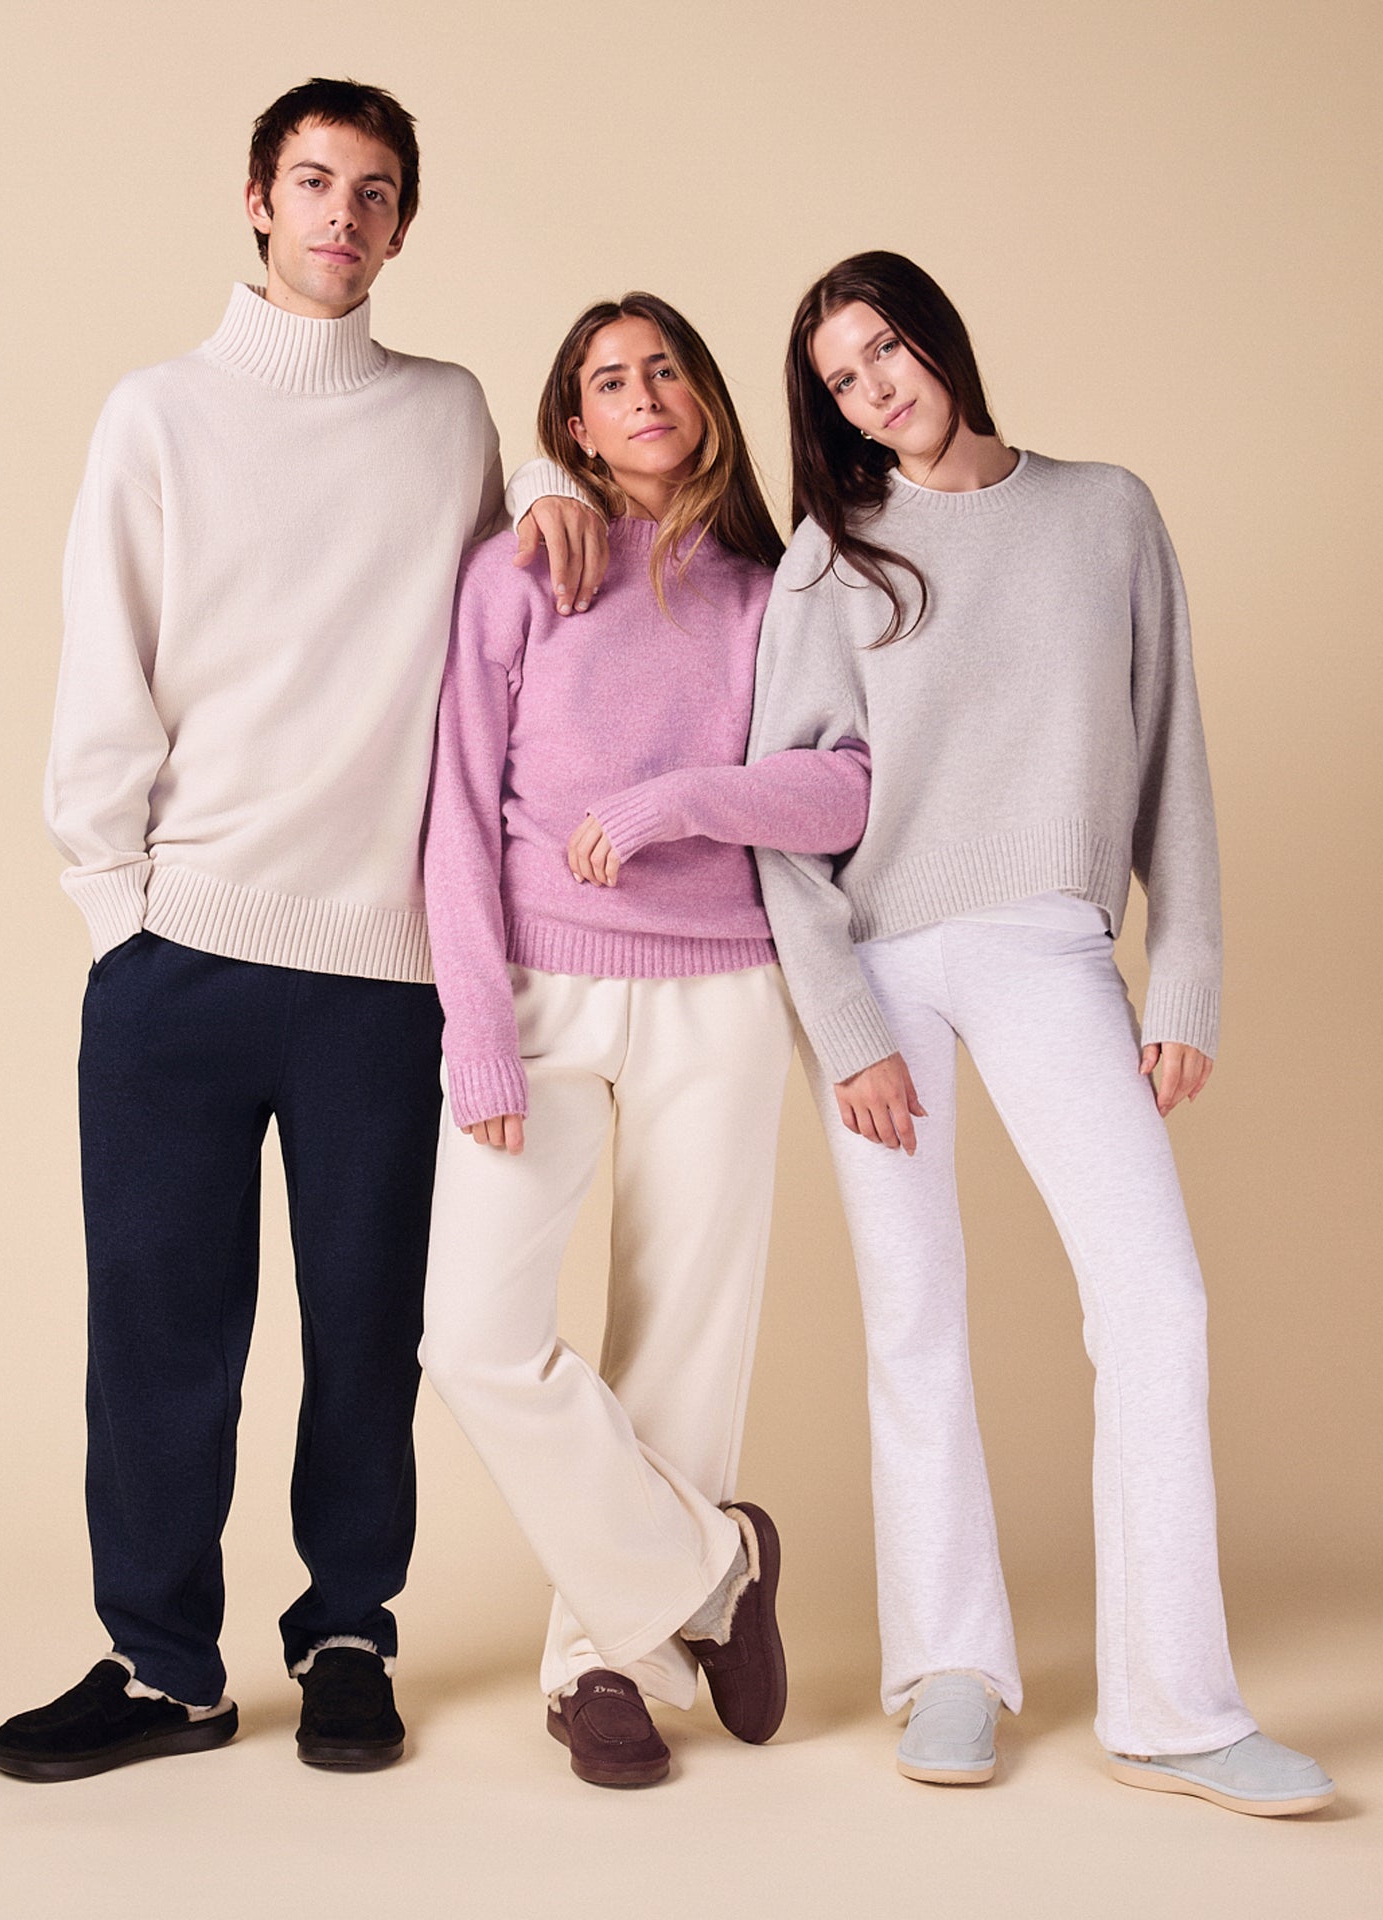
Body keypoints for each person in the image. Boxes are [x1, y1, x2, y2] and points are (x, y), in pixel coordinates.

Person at [0, 77, 606, 1784]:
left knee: (364, 1330)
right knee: (161, 1336)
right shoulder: (157, 414)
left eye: (378, 190)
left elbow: (502, 636)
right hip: (178, 957)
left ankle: (348, 1631)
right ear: (256, 199)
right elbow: (103, 662)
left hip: (382, 975)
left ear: (405, 224)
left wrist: (557, 470)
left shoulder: (451, 413)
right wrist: (120, 915)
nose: (345, 213)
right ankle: (163, 1665)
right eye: (315, 181)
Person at [749, 251, 1335, 1817]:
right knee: (912, 1314)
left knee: (1154, 1300)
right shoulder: (830, 558)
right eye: (842, 378)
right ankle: (951, 1666)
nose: (877, 389)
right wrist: (844, 1020)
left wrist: (1187, 976)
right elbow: (779, 828)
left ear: (940, 338)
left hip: (1047, 944)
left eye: (888, 350)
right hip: (877, 969)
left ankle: (1176, 1707)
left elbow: (1173, 760)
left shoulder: (1106, 514)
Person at [418, 294, 871, 1787]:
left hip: (724, 990)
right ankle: (712, 1570)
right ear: (575, 426)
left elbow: (847, 790)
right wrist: (478, 1040)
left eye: (663, 366)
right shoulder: (524, 570)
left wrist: (683, 800)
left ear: (706, 397)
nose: (643, 392)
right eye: (609, 380)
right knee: (475, 1335)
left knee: (686, 1337)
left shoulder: (779, 589)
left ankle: (600, 1667)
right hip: (540, 993)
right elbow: (454, 818)